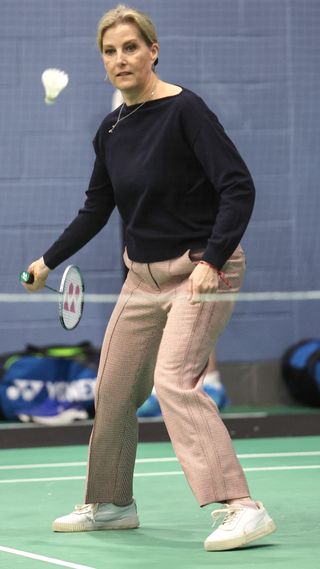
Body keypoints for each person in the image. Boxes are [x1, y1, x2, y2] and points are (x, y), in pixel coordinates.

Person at [23, 4, 276, 551]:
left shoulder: (187, 110)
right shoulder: (111, 129)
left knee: (174, 382)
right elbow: (97, 208)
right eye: (110, 52)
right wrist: (46, 260)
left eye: (131, 47)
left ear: (153, 50)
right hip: (141, 280)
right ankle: (112, 503)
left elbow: (239, 187)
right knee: (112, 389)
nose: (121, 59)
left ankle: (242, 507)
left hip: (202, 269)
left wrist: (211, 259)